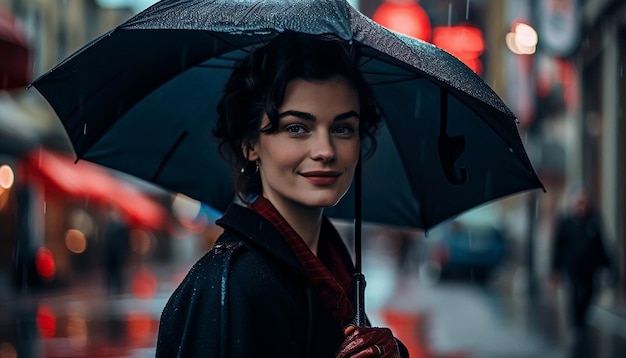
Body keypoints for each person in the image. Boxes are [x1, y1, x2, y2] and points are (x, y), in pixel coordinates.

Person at [156, 32, 408, 357]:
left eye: (343, 128)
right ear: (249, 145)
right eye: (296, 128)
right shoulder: (226, 283)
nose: (325, 150)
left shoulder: (333, 277)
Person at [549, 185, 617, 334]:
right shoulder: (566, 222)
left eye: (584, 202)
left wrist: (609, 266)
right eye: (579, 202)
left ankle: (582, 319)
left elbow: (601, 245)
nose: (582, 206)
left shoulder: (594, 220)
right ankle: (576, 324)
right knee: (574, 293)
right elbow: (557, 248)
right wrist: (555, 270)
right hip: (572, 267)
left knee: (589, 293)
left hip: (590, 267)